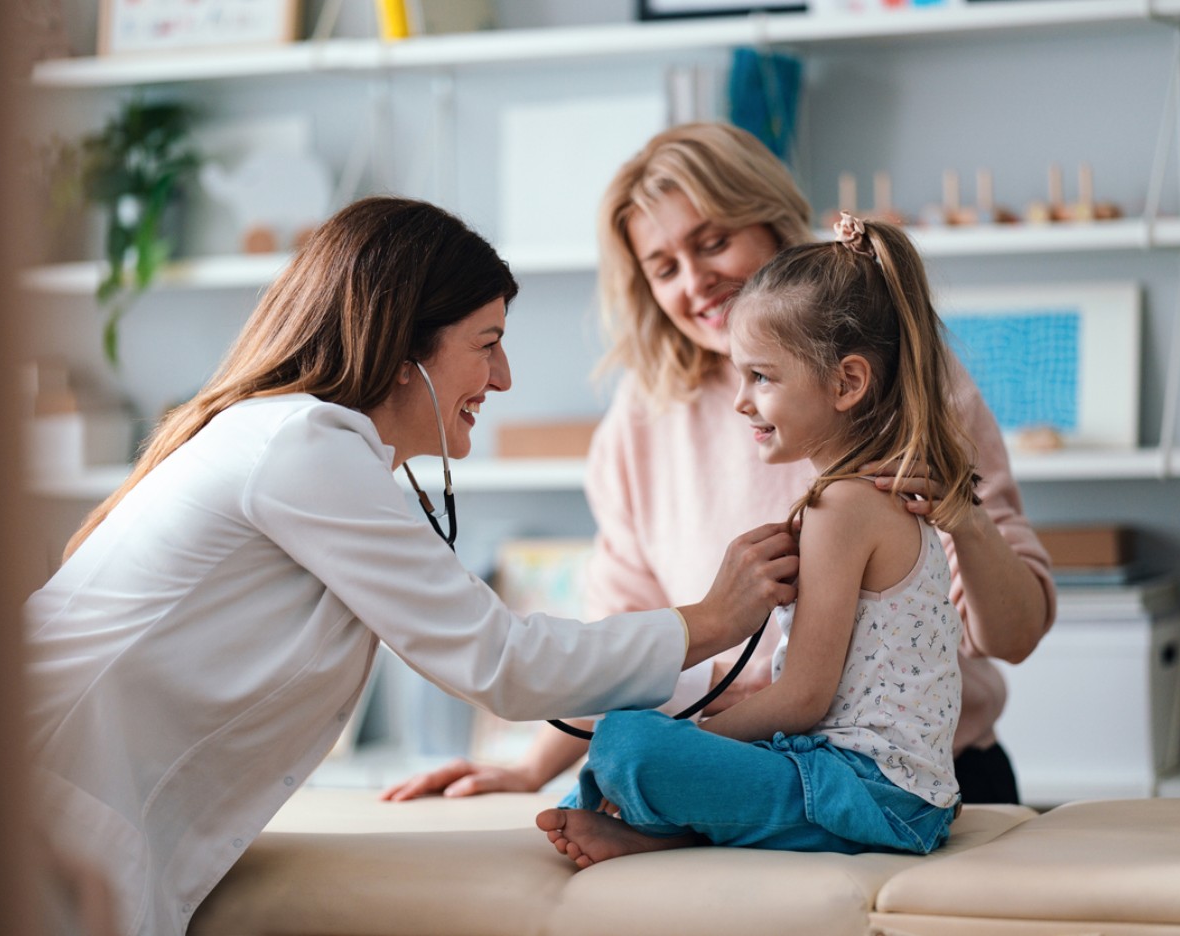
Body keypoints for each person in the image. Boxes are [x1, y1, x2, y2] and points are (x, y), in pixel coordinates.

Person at [23, 196, 799, 936]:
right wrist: (714, 617)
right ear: (404, 353)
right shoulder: (303, 447)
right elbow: (502, 660)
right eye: (487, 344)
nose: (503, 380)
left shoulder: (304, 449)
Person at [382, 122, 1053, 807]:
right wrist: (530, 770)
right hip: (746, 771)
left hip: (922, 780)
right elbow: (631, 642)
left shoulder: (907, 386)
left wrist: (964, 523)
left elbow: (1014, 635)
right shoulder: (640, 424)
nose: (696, 282)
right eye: (665, 267)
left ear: (771, 225)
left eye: (713, 243)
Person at [537, 213, 976, 866]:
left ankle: (642, 817)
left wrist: (693, 738)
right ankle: (654, 828)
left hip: (870, 794)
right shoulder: (854, 499)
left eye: (762, 378)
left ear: (846, 383)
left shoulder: (842, 507)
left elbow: (802, 698)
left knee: (629, 742)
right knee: (634, 740)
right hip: (873, 789)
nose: (741, 401)